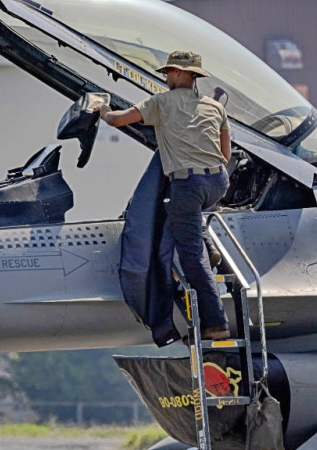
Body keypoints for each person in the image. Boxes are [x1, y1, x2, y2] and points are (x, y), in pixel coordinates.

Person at [97, 50, 232, 340]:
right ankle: (209, 244)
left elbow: (119, 120)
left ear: (184, 74)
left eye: (171, 72)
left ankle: (216, 324)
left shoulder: (162, 102)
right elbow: (225, 154)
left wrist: (102, 109)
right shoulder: (214, 107)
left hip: (188, 186)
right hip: (218, 183)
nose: (167, 76)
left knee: (191, 256)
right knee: (186, 213)